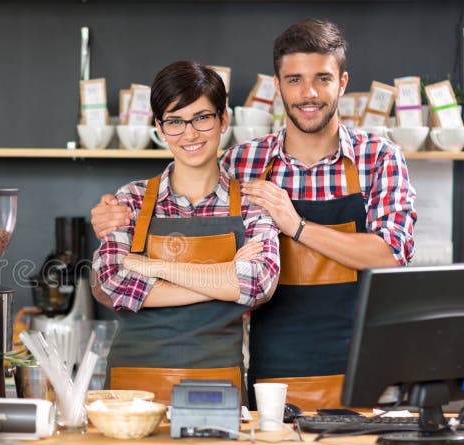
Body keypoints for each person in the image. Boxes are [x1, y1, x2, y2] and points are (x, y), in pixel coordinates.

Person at [91, 19, 417, 410]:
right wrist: (109, 217)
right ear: (277, 86)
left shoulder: (377, 157)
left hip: (365, 362)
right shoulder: (242, 162)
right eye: (294, 79)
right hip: (272, 369)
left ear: (342, 82)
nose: (308, 93)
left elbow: (391, 254)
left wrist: (294, 225)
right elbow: (185, 185)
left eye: (322, 78)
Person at [91, 61, 280, 404]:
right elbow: (112, 281)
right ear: (160, 129)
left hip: (217, 387)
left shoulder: (252, 204)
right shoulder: (130, 200)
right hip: (131, 389)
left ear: (223, 121)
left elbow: (258, 284)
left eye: (201, 118)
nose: (189, 134)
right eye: (175, 122)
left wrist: (153, 267)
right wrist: (224, 278)